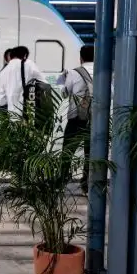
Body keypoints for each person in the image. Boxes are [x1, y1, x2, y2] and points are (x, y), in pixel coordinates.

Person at [58, 45, 94, 194]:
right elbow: (110, 94)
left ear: (81, 58)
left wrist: (63, 80)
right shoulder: (103, 72)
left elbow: (64, 93)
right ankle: (86, 184)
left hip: (76, 117)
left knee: (68, 149)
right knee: (90, 153)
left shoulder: (73, 73)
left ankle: (62, 180)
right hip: (95, 119)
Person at [0, 46, 44, 115]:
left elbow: (0, 100)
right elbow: (43, 83)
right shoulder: (29, 64)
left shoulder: (2, 73)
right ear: (25, 55)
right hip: (29, 112)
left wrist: (11, 100)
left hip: (11, 114)